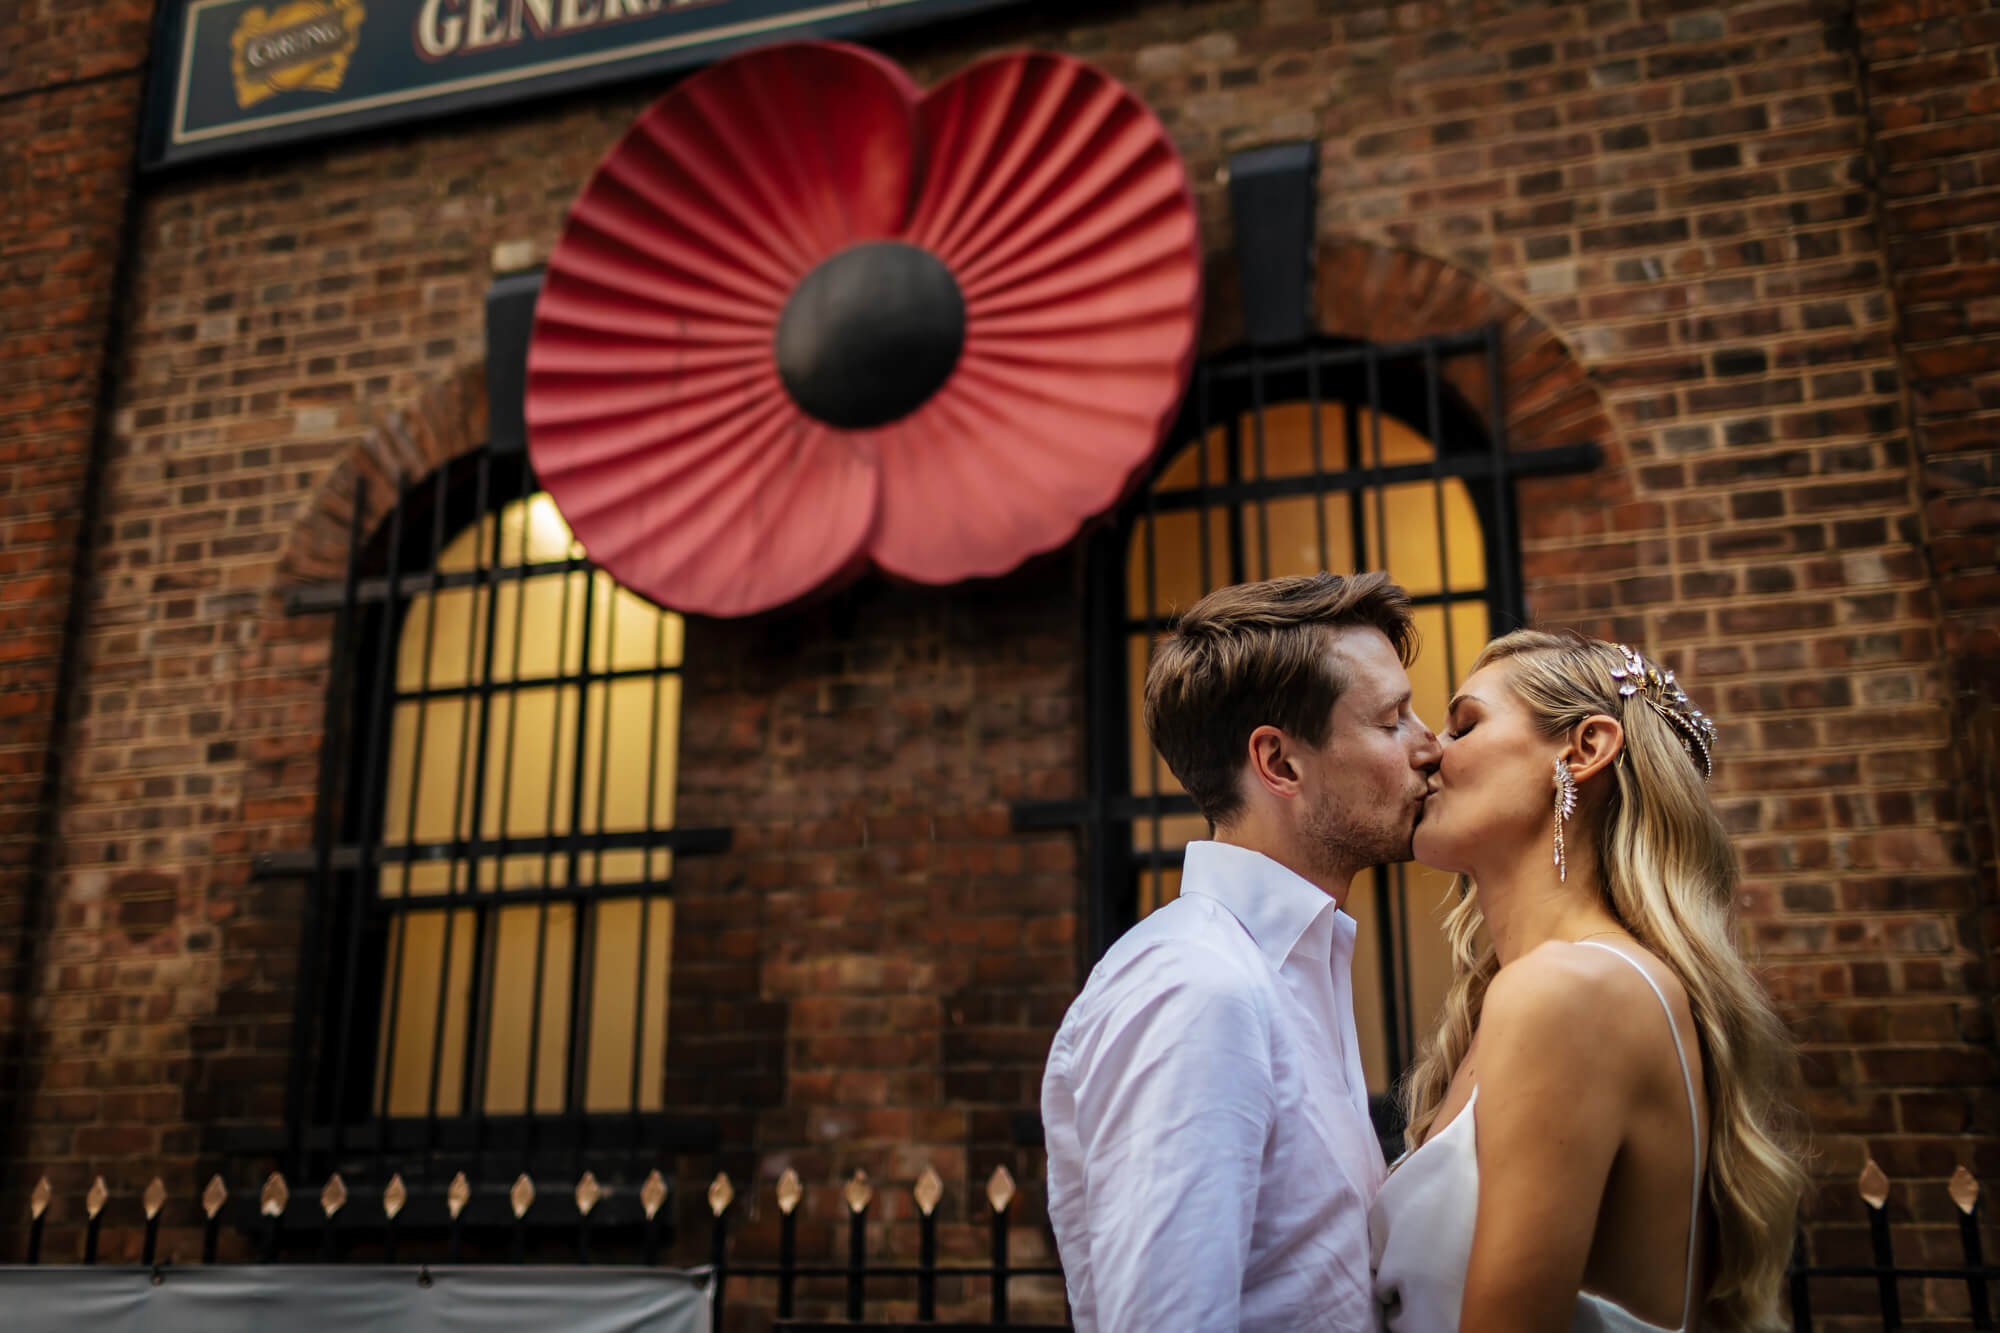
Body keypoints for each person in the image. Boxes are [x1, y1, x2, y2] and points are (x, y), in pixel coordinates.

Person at [1370, 629, 1806, 1333]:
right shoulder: (1566, 984)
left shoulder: (1567, 991)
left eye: (1464, 723)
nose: (1428, 750)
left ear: (1583, 749)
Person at [1041, 572, 1441, 1332]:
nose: (1430, 747)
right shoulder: (1198, 990)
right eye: (1393, 721)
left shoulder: (1294, 963)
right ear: (1281, 763)